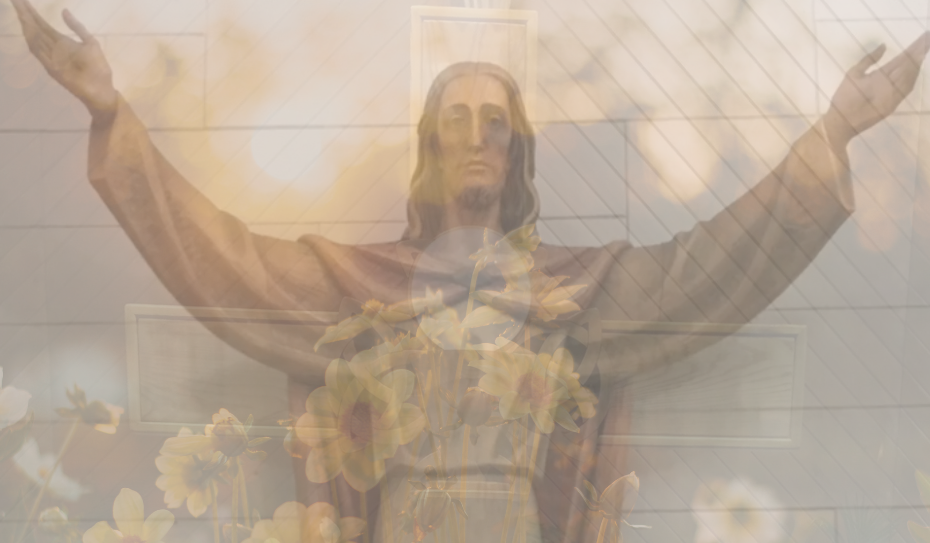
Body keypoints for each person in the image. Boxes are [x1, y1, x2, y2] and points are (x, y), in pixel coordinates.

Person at [10, 0, 930, 540]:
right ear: (430, 147)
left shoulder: (571, 295)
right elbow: (225, 261)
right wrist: (112, 116)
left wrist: (835, 132)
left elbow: (708, 269)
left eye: (497, 120)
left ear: (517, 149)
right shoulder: (363, 289)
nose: (479, 134)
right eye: (457, 118)